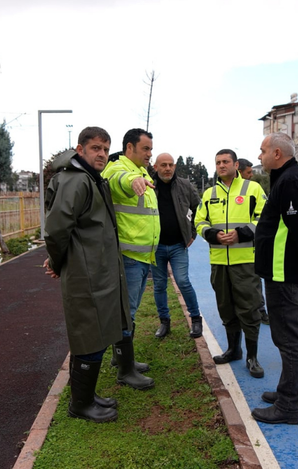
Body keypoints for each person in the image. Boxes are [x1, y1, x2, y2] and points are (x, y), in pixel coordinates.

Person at [43, 126, 129, 422]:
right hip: (85, 273)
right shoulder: (76, 180)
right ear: (80, 150)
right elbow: (56, 229)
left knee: (96, 333)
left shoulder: (91, 178)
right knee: (88, 336)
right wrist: (57, 262)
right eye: (95, 148)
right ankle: (80, 405)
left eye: (105, 149)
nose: (102, 154)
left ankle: (87, 396)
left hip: (96, 271)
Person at [252, 132, 298, 425]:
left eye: (263, 151)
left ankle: (288, 406)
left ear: (277, 154)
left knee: (288, 338)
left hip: (285, 274)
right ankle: (296, 392)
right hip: (286, 272)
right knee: (292, 336)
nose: (259, 156)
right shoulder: (290, 178)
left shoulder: (291, 180)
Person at [196, 149, 267, 379]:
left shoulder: (252, 189)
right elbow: (199, 221)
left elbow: (264, 218)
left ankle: (252, 357)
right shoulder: (209, 193)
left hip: (245, 261)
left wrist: (241, 233)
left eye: (226, 161)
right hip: (219, 262)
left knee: (249, 308)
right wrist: (213, 234)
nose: (221, 165)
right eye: (218, 162)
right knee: (226, 307)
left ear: (236, 165)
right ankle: (233, 350)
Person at [100, 128, 158, 389]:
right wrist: (131, 181)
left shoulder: (143, 172)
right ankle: (125, 371)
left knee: (129, 312)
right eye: (145, 149)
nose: (149, 154)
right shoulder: (119, 168)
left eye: (151, 149)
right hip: (129, 258)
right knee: (127, 313)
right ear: (129, 148)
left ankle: (122, 359)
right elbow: (118, 180)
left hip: (142, 257)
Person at [150, 153, 204, 339]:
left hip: (178, 245)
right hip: (155, 247)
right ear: (155, 167)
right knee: (159, 285)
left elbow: (199, 209)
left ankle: (195, 319)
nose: (168, 168)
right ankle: (164, 322)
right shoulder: (148, 186)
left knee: (183, 281)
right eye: (163, 165)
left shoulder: (185, 185)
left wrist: (193, 233)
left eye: (171, 165)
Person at [238, 157, 269, 325]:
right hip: (230, 248)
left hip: (251, 244)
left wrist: (247, 232)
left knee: (254, 280)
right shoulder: (223, 192)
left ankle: (260, 310)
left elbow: (263, 214)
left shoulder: (254, 189)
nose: (251, 175)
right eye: (248, 172)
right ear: (239, 171)